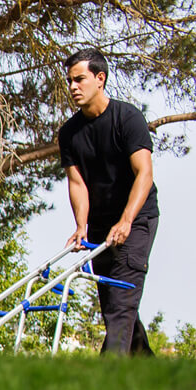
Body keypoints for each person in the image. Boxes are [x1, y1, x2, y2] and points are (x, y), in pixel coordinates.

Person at [58, 47, 160, 355]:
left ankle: (104, 380)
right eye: (69, 81)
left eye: (79, 79)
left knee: (120, 306)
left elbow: (144, 173)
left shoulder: (127, 118)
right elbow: (77, 183)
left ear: (99, 78)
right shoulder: (69, 133)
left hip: (137, 219)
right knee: (116, 308)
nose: (73, 87)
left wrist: (127, 219)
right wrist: (80, 226)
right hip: (100, 227)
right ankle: (157, 377)